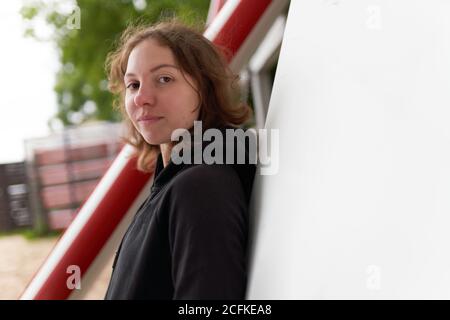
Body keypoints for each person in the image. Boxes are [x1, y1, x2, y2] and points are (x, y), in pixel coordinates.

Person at [103, 19, 256, 300]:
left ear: (205, 87)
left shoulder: (201, 186)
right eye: (133, 84)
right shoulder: (172, 184)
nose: (141, 98)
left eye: (164, 79)